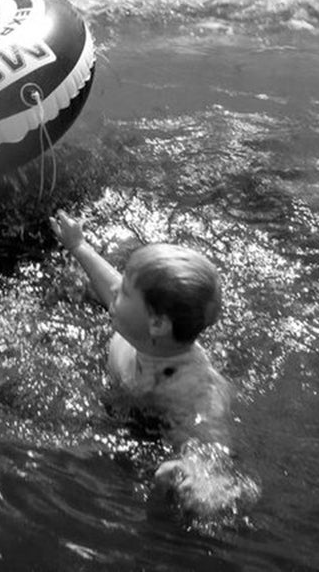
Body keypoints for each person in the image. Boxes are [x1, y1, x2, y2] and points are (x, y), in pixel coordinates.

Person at [50, 211, 256, 516]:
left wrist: (193, 473)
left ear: (157, 323)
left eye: (126, 292)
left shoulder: (193, 389)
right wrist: (79, 245)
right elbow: (110, 287)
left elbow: (211, 445)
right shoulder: (144, 328)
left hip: (147, 419)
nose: (116, 290)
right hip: (134, 377)